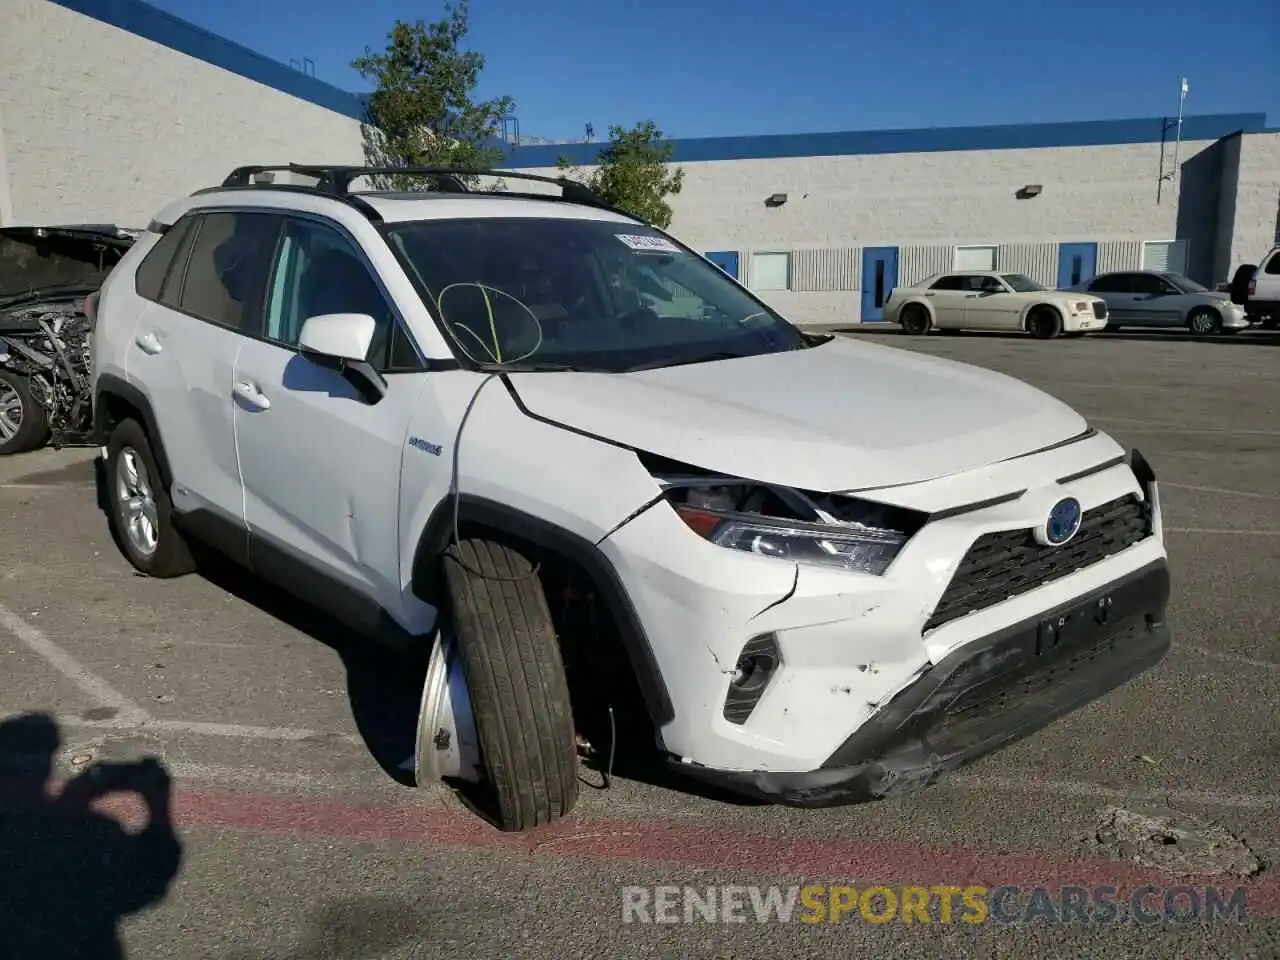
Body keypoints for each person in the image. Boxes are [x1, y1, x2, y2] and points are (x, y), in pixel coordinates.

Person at [0, 712, 182, 959]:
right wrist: (158, 810)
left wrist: (66, 808)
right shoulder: (85, 834)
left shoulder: (76, 829)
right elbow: (143, 885)